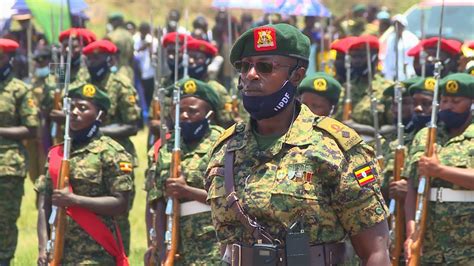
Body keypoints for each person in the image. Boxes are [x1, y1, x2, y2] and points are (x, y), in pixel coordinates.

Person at [205, 23, 390, 265]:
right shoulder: (225, 148)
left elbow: (375, 252)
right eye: (245, 66)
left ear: (297, 75)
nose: (250, 75)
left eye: (265, 67)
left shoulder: (336, 149)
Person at [35, 83, 132, 265]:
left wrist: (74, 200)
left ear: (99, 115)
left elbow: (120, 203)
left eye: (83, 108)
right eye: (71, 107)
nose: (74, 112)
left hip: (96, 251)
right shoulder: (57, 153)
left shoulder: (111, 152)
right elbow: (44, 203)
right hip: (59, 250)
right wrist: (43, 247)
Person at [144, 77, 223, 265]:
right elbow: (156, 201)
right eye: (178, 111)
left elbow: (229, 197)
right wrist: (158, 246)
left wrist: (187, 191)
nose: (184, 116)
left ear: (209, 115)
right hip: (175, 239)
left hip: (213, 239)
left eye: (192, 111)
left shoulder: (224, 144)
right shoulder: (166, 148)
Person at [404, 73, 474, 265]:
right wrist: (412, 233)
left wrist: (440, 171)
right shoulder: (425, 136)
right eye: (444, 101)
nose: (448, 106)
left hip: (467, 244)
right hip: (431, 244)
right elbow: (412, 188)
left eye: (456, 101)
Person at [82, 39, 142, 254]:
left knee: (117, 217)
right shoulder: (81, 83)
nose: (92, 62)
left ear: (109, 60)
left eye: (97, 58)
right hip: (83, 160)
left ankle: (120, 255)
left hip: (115, 158)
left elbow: (132, 125)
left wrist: (97, 131)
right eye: (89, 58)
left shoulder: (121, 85)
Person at [0, 38, 39, 266]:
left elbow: (31, 129)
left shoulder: (20, 90)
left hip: (7, 165)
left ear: (10, 59)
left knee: (4, 220)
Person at [331, 35, 393, 138]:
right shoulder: (347, 88)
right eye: (353, 57)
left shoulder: (386, 89)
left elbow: (393, 127)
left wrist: (360, 128)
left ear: (374, 58)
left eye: (361, 56)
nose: (356, 61)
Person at [382, 14, 419, 81]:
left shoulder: (411, 38)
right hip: (392, 74)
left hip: (408, 72)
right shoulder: (391, 38)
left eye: (399, 25)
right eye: (395, 25)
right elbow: (387, 56)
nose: (397, 27)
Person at [106, 13, 135, 80]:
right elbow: (132, 57)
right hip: (128, 70)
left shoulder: (111, 36)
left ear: (115, 22)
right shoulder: (129, 35)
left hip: (116, 70)